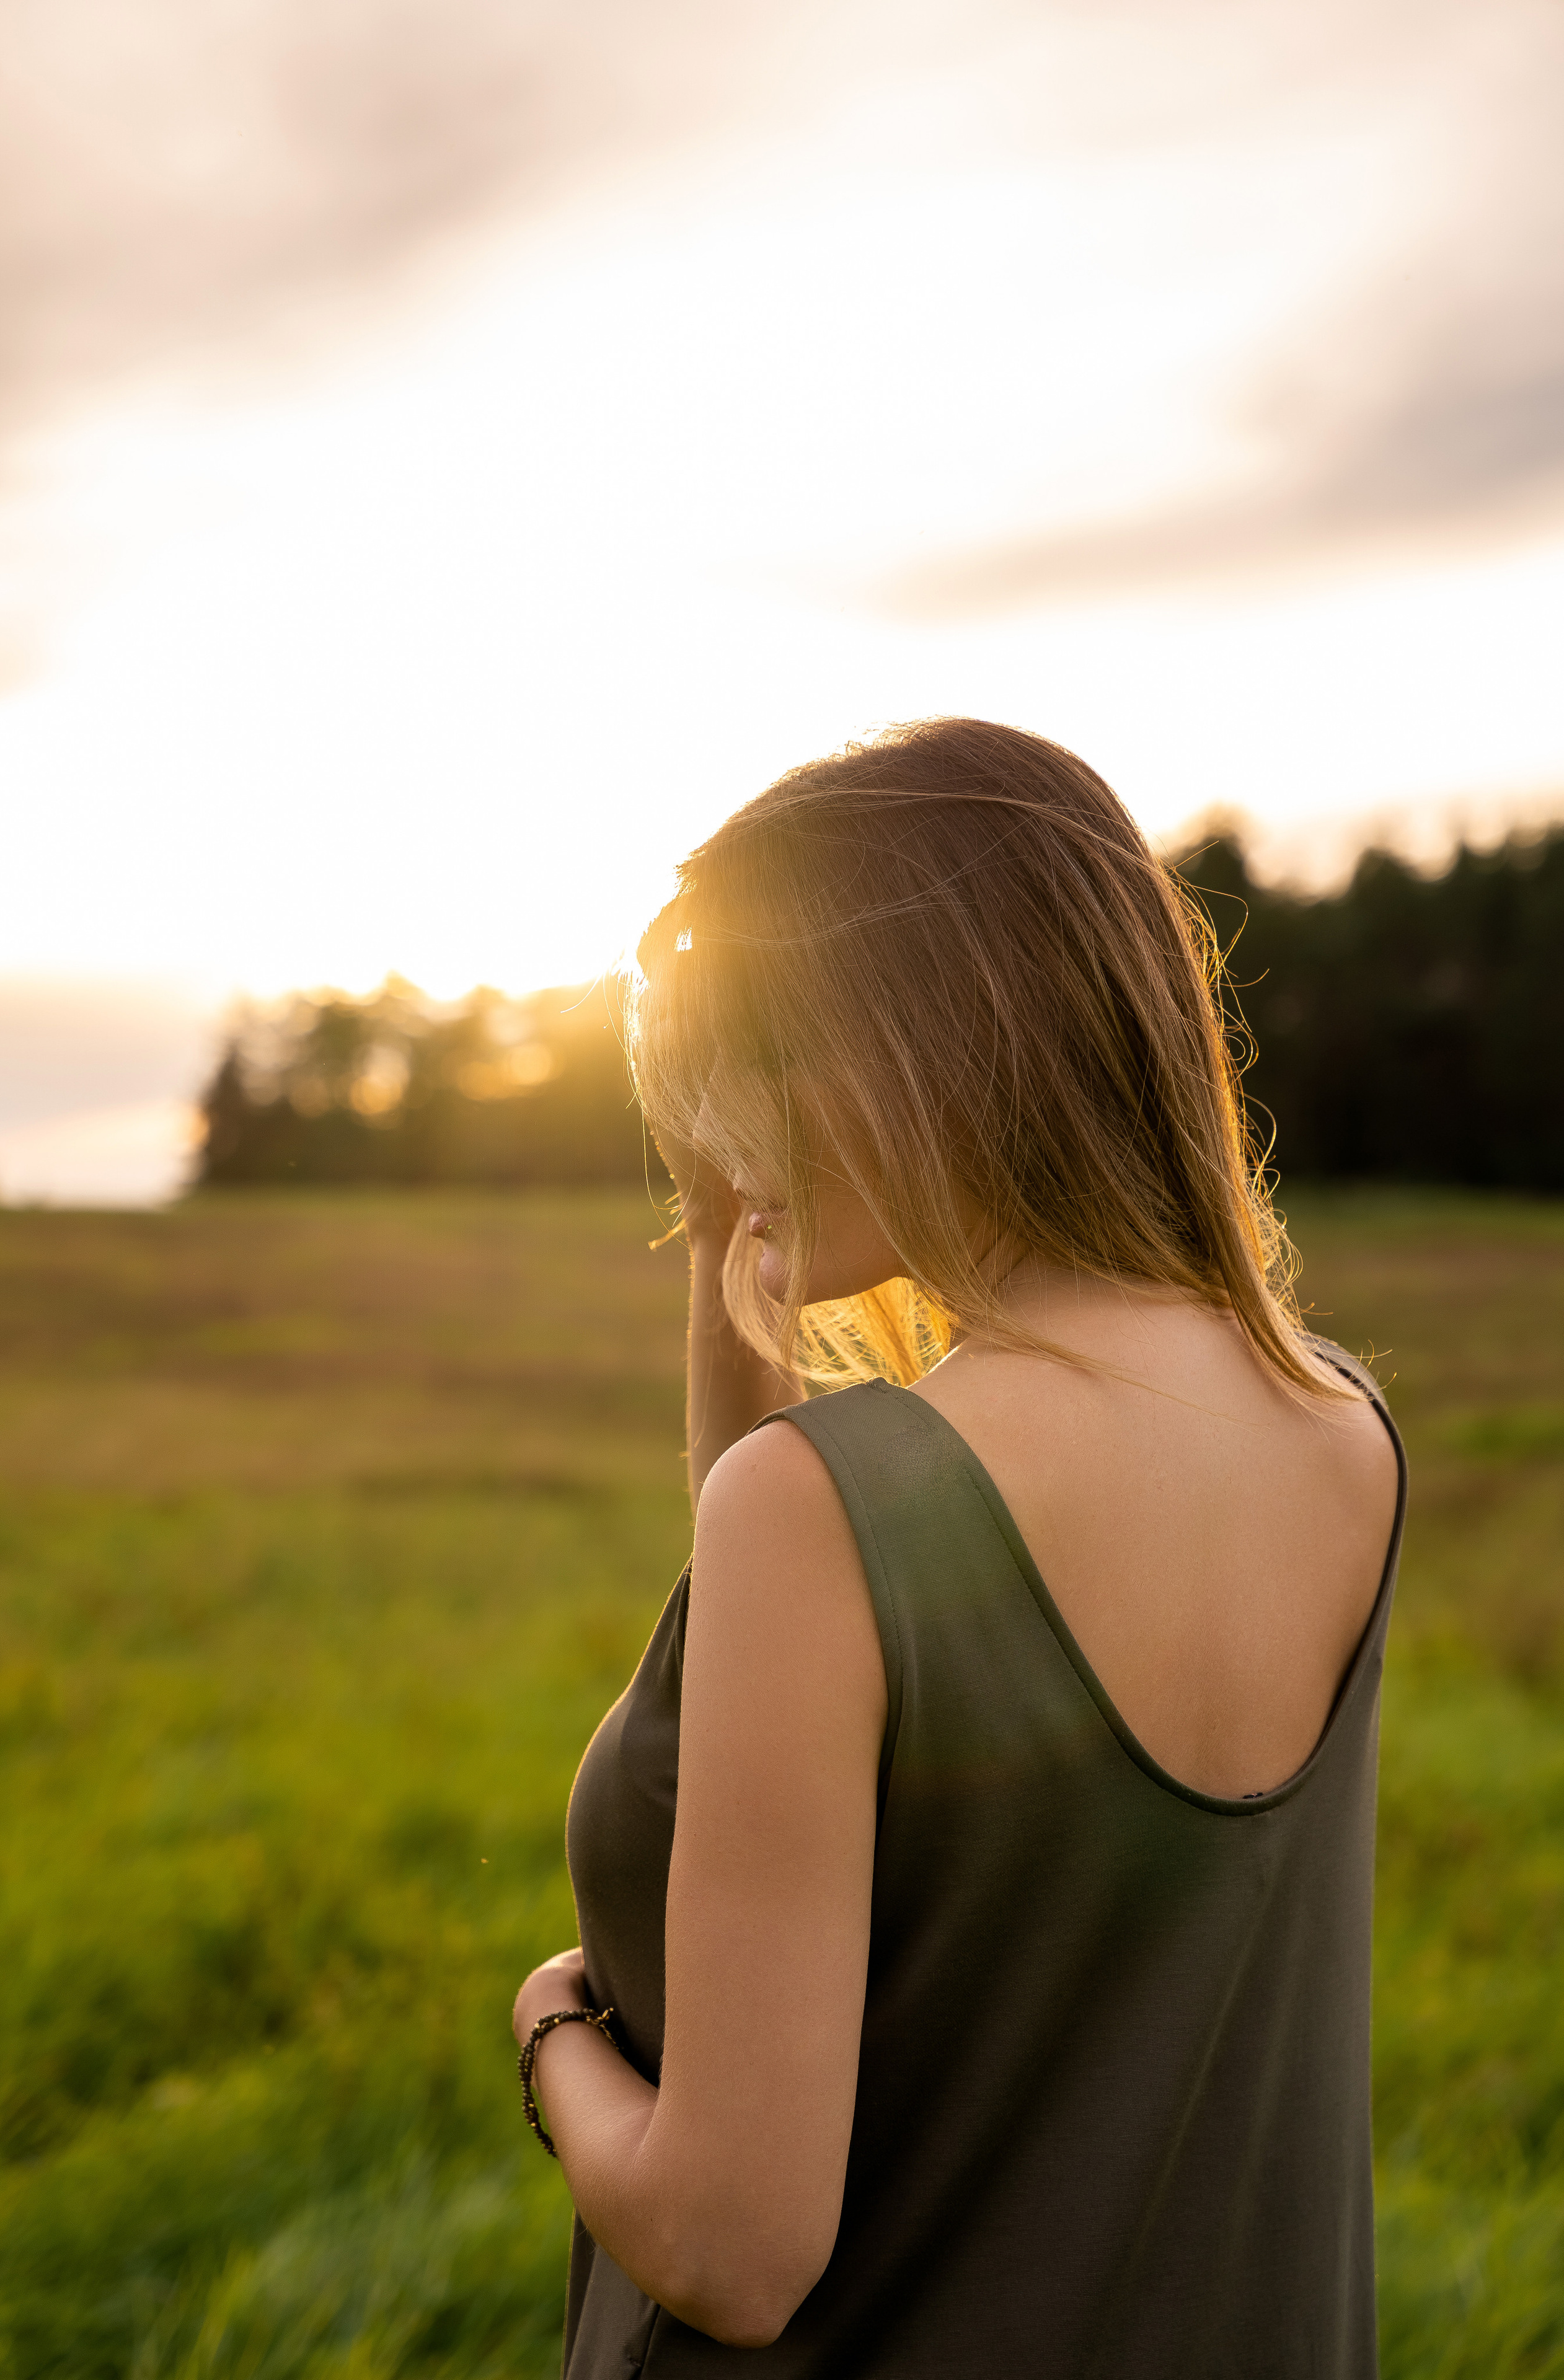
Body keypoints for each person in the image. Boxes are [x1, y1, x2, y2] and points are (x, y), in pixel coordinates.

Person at [511, 718, 1405, 2378]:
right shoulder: (1341, 1432)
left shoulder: (836, 1513)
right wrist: (738, 1255)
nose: (719, 1132)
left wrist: (551, 2029)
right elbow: (796, 1600)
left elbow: (731, 2249)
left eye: (744, 1068)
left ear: (899, 1049)